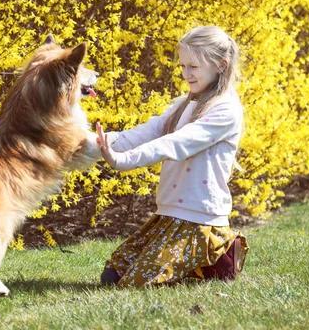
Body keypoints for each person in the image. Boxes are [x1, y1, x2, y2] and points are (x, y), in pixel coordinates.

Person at [96, 25, 249, 288]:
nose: (185, 74)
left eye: (193, 67)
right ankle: (206, 262)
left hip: (198, 220)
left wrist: (124, 161)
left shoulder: (226, 111)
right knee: (112, 275)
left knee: (135, 283)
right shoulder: (183, 104)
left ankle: (218, 252)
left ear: (221, 65)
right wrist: (95, 143)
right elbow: (147, 132)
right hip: (170, 216)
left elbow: (176, 143)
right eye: (183, 66)